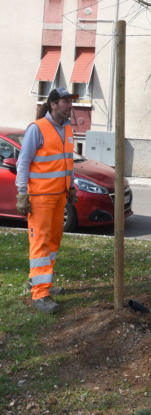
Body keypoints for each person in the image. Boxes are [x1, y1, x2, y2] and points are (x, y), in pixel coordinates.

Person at [16, 87, 79, 314]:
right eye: (65, 101)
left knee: (52, 243)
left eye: (71, 101)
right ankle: (40, 294)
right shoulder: (37, 128)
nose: (70, 105)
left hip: (59, 198)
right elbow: (23, 163)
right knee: (40, 244)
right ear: (53, 104)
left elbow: (67, 162)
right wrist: (22, 193)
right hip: (40, 198)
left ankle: (44, 281)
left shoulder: (68, 129)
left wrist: (71, 188)